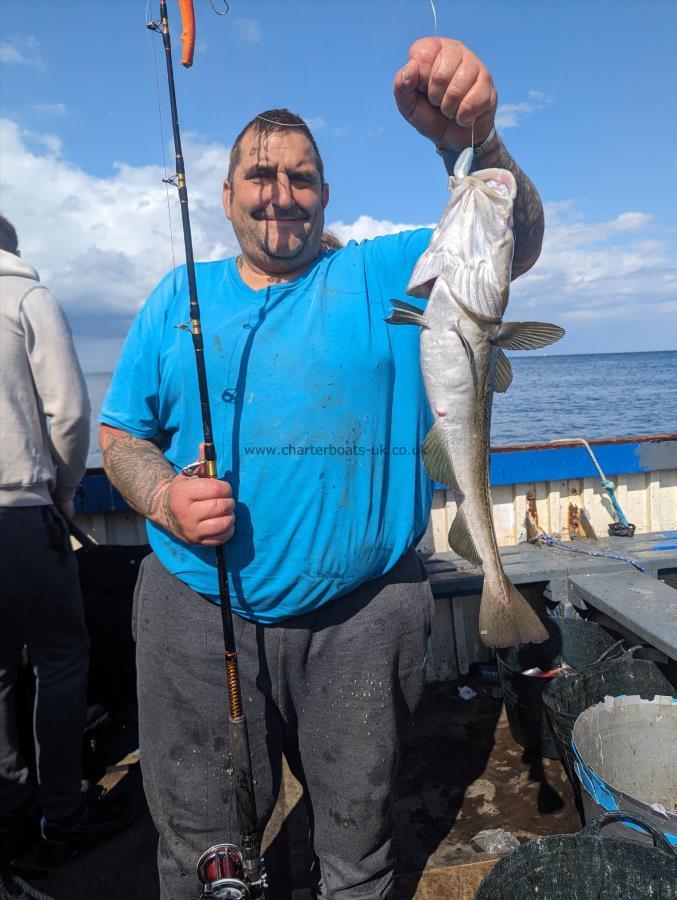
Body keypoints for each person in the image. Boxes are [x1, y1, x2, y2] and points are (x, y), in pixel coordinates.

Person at [99, 38, 544, 899]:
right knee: (205, 856)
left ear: (325, 193)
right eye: (260, 177)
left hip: (363, 617)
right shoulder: (176, 296)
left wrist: (481, 145)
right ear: (224, 195)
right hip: (196, 611)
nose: (282, 195)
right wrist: (162, 496)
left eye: (302, 178)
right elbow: (120, 435)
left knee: (358, 846)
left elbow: (508, 244)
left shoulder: (385, 271)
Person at [0, 215, 124, 866]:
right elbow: (70, 413)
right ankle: (65, 815)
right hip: (21, 514)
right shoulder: (27, 297)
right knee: (61, 659)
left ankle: (11, 816)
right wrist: (66, 488)